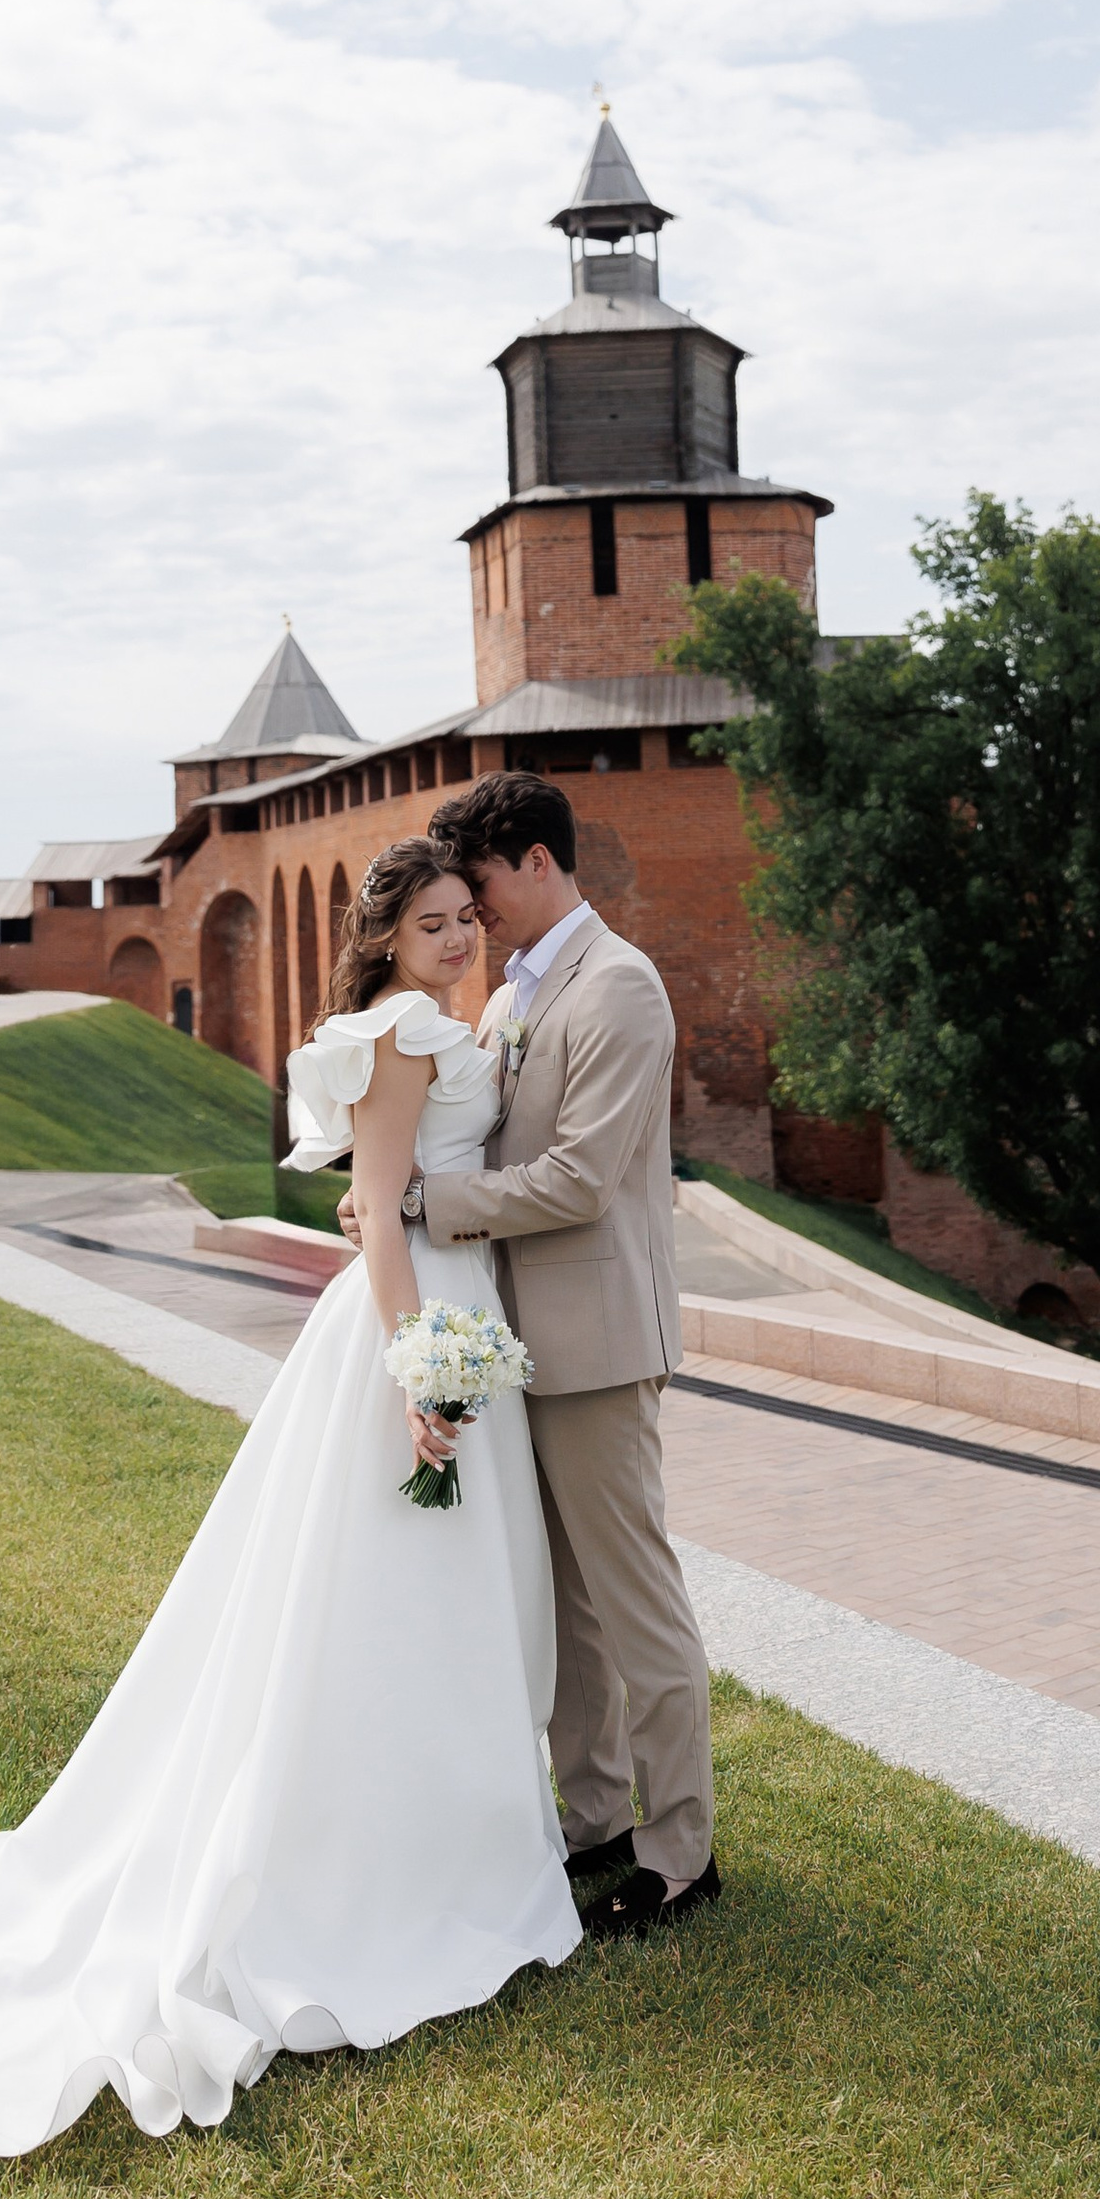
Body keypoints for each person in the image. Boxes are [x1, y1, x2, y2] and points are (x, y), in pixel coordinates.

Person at [0, 843, 579, 2157]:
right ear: (388, 939)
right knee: (384, 1592)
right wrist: (419, 1366)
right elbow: (380, 1215)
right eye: (433, 923)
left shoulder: (453, 1025)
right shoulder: (399, 1037)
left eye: (467, 920)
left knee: (440, 1592)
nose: (457, 939)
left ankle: (456, 1837)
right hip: (413, 1325)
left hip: (458, 1307)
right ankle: (380, 1860)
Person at [362, 768, 719, 1938]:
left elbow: (574, 1180)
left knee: (635, 1604)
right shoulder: (517, 994)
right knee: (564, 1610)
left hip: (600, 1343)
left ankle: (680, 1856)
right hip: (523, 1344)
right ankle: (596, 1820)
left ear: (532, 861)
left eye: (480, 891)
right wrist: (389, 1202)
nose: (473, 919)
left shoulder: (618, 988)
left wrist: (424, 1204)